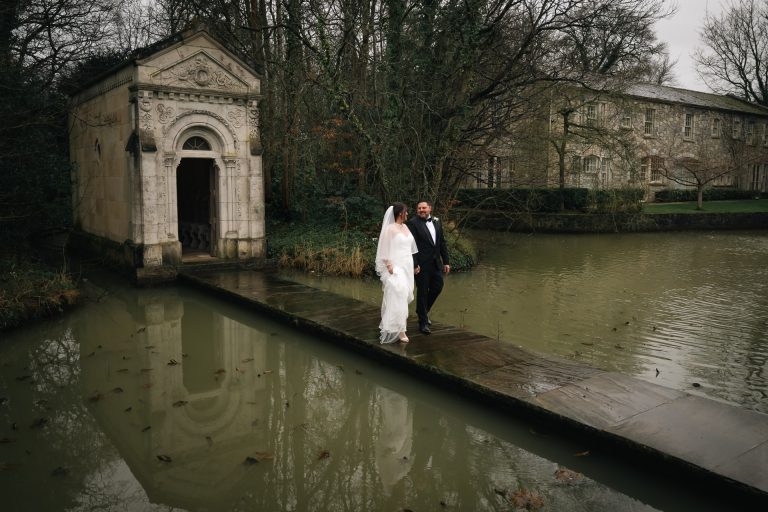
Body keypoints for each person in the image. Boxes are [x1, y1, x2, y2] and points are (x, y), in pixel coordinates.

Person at [375, 202, 418, 343]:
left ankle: (399, 325)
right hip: (396, 268)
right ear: (400, 213)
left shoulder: (405, 227)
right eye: (406, 211)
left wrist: (413, 266)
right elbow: (383, 249)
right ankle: (400, 330)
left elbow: (409, 249)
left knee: (404, 296)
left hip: (407, 266)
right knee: (397, 296)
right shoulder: (390, 229)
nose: (407, 214)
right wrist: (389, 265)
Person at [406, 200, 450, 334]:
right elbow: (411, 246)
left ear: (430, 208)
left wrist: (446, 261)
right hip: (421, 265)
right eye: (419, 208)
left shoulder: (437, 221)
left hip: (436, 263)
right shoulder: (413, 223)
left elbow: (441, 242)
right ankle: (423, 322)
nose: (421, 210)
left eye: (424, 207)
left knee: (438, 287)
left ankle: (422, 311)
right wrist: (415, 264)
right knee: (423, 292)